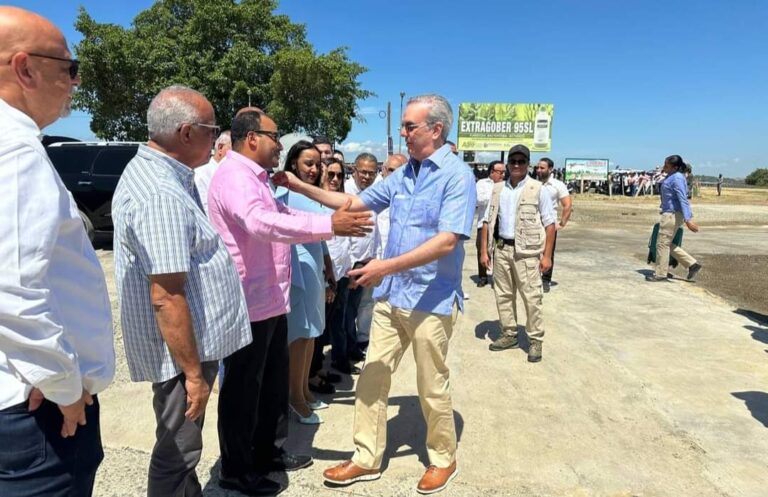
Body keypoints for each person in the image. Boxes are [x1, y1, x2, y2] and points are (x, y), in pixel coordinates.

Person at [275, 94, 476, 494]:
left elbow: (447, 242)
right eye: (402, 125)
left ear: (435, 130)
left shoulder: (457, 176)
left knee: (431, 383)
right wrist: (297, 184)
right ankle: (366, 457)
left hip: (431, 300)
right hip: (393, 296)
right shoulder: (404, 175)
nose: (402, 134)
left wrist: (384, 266)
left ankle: (442, 458)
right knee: (373, 376)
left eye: (409, 127)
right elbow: (353, 202)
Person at [207, 109, 372, 495]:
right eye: (274, 135)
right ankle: (237, 469)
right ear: (252, 138)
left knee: (270, 388)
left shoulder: (257, 178)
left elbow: (281, 212)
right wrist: (329, 226)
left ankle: (268, 453)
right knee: (244, 391)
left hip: (271, 300)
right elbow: (261, 223)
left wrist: (325, 216)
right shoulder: (234, 176)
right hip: (248, 304)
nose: (280, 144)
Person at [112, 85, 252, 497]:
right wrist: (193, 374)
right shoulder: (162, 193)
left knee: (182, 444)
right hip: (180, 357)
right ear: (188, 133)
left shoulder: (164, 174)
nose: (218, 139)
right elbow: (167, 295)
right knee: (180, 449)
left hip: (186, 348)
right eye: (212, 130)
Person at [0, 7, 115, 495]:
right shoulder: (17, 152)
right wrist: (65, 387)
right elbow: (12, 292)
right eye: (68, 66)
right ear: (25, 68)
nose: (76, 79)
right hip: (35, 411)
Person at [480, 145, 556, 362]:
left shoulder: (538, 189)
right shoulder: (498, 189)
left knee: (532, 298)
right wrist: (485, 251)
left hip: (527, 253)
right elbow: (487, 221)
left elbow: (550, 224)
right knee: (503, 295)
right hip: (502, 250)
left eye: (521, 161)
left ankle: (535, 340)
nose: (516, 165)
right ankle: (509, 333)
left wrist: (547, 255)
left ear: (527, 164)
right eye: (513, 161)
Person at [277, 141, 335, 425]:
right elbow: (328, 219)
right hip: (299, 267)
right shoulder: (289, 193)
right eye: (307, 164)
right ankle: (294, 397)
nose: (313, 169)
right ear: (293, 164)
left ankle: (303, 390)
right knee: (300, 335)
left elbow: (320, 236)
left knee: (312, 332)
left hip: (313, 263)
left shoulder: (307, 194)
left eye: (317, 164)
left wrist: (327, 264)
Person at [339, 152, 380, 371]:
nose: (366, 176)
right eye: (363, 171)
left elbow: (374, 231)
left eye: (371, 173)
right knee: (345, 312)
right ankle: (342, 354)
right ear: (354, 169)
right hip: (351, 264)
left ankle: (353, 346)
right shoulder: (345, 194)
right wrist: (353, 266)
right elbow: (344, 235)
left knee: (357, 308)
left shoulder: (374, 193)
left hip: (367, 261)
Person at [647, 154, 702, 282]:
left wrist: (688, 220)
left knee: (662, 244)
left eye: (667, 165)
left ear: (675, 167)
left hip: (672, 215)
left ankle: (661, 274)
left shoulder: (676, 178)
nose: (664, 167)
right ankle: (692, 264)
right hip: (670, 213)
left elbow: (683, 198)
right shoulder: (672, 176)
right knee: (666, 243)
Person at [535, 157, 573, 292]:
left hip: (548, 225)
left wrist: (562, 223)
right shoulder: (532, 183)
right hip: (532, 224)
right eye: (537, 167)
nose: (538, 170)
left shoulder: (557, 185)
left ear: (550, 169)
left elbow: (567, 205)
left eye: (542, 168)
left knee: (548, 252)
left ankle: (546, 280)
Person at [475, 160, 505, 287]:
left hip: (500, 225)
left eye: (504, 172)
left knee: (500, 249)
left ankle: (498, 276)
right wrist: (494, 194)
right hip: (484, 224)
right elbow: (478, 200)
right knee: (481, 249)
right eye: (500, 172)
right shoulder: (482, 183)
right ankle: (482, 276)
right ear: (492, 171)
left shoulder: (506, 185)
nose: (503, 175)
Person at [375, 153, 408, 258]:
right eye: (392, 170)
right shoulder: (372, 191)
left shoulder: (410, 195)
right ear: (384, 169)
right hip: (374, 259)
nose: (397, 175)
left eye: (401, 171)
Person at [194, 130, 231, 214]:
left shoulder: (238, 176)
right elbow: (205, 212)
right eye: (235, 150)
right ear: (220, 148)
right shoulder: (201, 175)